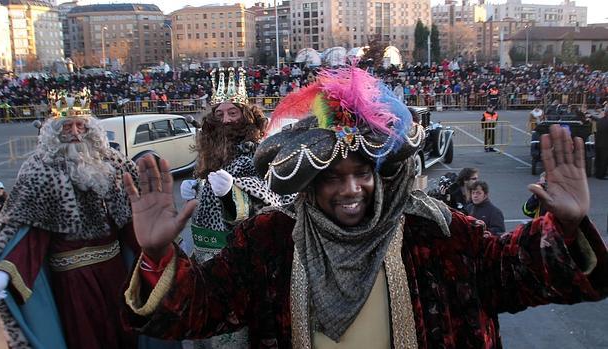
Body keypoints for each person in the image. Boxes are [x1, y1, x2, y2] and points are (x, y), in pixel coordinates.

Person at [121, 66, 607, 348]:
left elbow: (512, 273)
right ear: (309, 187)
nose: (351, 189)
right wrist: (159, 257)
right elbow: (202, 308)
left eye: (361, 174)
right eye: (332, 178)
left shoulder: (435, 233)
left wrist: (563, 226)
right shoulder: (270, 242)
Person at [0, 90, 176, 349]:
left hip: (116, 273)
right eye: (67, 126)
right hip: (72, 282)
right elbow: (31, 235)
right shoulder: (39, 170)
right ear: (55, 132)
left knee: (126, 333)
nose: (75, 132)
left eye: (80, 125)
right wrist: (6, 272)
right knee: (85, 339)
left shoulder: (115, 164)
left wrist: (160, 253)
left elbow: (132, 226)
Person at [187, 67, 293, 348]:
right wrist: (197, 189)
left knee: (233, 333)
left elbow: (274, 201)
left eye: (232, 113)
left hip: (238, 257)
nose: (225, 120)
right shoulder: (210, 153)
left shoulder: (260, 151)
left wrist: (232, 196)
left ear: (246, 117)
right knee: (205, 324)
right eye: (220, 114)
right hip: (204, 254)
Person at [593, 103, 608, 180]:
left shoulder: (599, 121)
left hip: (598, 142)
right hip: (605, 144)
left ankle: (597, 173)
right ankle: (602, 175)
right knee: (604, 160)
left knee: (598, 159)